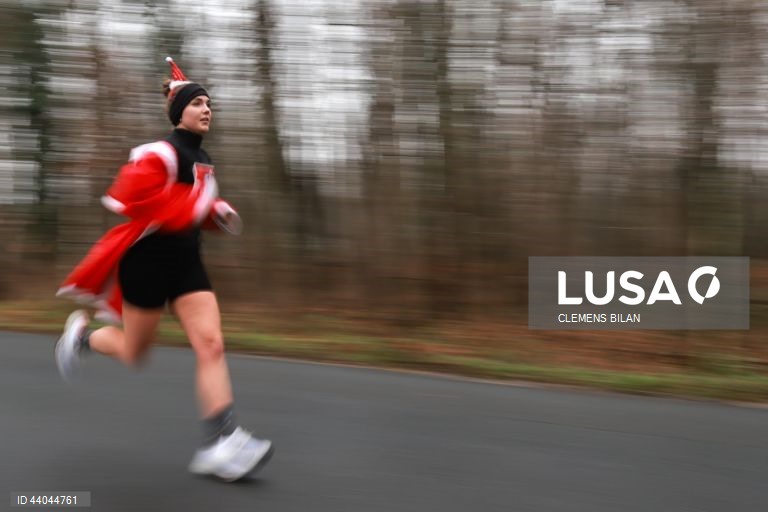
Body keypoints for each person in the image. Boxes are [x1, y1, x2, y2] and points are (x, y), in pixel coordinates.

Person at [54, 57, 273, 482]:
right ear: (179, 112)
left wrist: (216, 215)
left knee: (210, 344)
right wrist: (197, 206)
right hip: (148, 263)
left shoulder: (205, 158)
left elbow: (192, 212)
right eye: (198, 103)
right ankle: (82, 337)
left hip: (187, 262)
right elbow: (125, 199)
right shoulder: (157, 153)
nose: (207, 109)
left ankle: (220, 443)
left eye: (210, 103)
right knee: (136, 355)